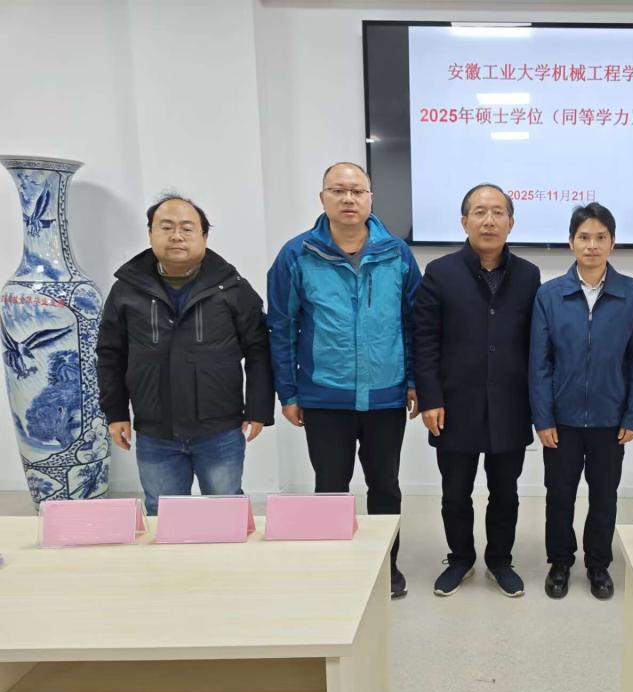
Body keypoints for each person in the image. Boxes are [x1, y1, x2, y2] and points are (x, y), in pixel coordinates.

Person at [267, 162, 421, 598]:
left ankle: (386, 566)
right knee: (331, 486)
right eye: (338, 190)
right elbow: (281, 327)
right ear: (323, 199)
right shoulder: (297, 255)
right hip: (324, 396)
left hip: (386, 395)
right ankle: (333, 565)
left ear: (371, 198)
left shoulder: (396, 254)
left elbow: (415, 322)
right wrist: (288, 391)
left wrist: (414, 380)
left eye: (357, 191)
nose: (348, 198)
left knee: (385, 486)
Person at [97, 194, 274, 515]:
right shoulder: (126, 290)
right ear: (150, 233)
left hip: (219, 429)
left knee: (226, 510)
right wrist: (116, 412)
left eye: (187, 228)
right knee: (162, 514)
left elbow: (259, 350)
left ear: (204, 236)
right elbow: (111, 354)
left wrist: (258, 408)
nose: (176, 236)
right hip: (155, 431)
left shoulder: (232, 288)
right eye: (166, 227)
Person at [413, 184, 540, 598]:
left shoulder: (528, 276)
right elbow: (425, 340)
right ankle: (461, 558)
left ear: (511, 223)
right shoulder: (440, 272)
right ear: (464, 221)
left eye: (498, 212)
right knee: (455, 493)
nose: (489, 221)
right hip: (454, 404)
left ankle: (500, 560)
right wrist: (430, 398)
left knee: (506, 493)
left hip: (510, 404)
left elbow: (535, 345)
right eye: (480, 212)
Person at [529, 202, 633, 600]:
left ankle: (598, 564)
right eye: (584, 237)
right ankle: (560, 562)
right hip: (562, 420)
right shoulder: (549, 295)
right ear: (571, 242)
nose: (592, 245)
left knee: (604, 497)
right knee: (559, 495)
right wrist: (543, 418)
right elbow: (540, 363)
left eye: (601, 237)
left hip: (609, 419)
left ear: (612, 242)